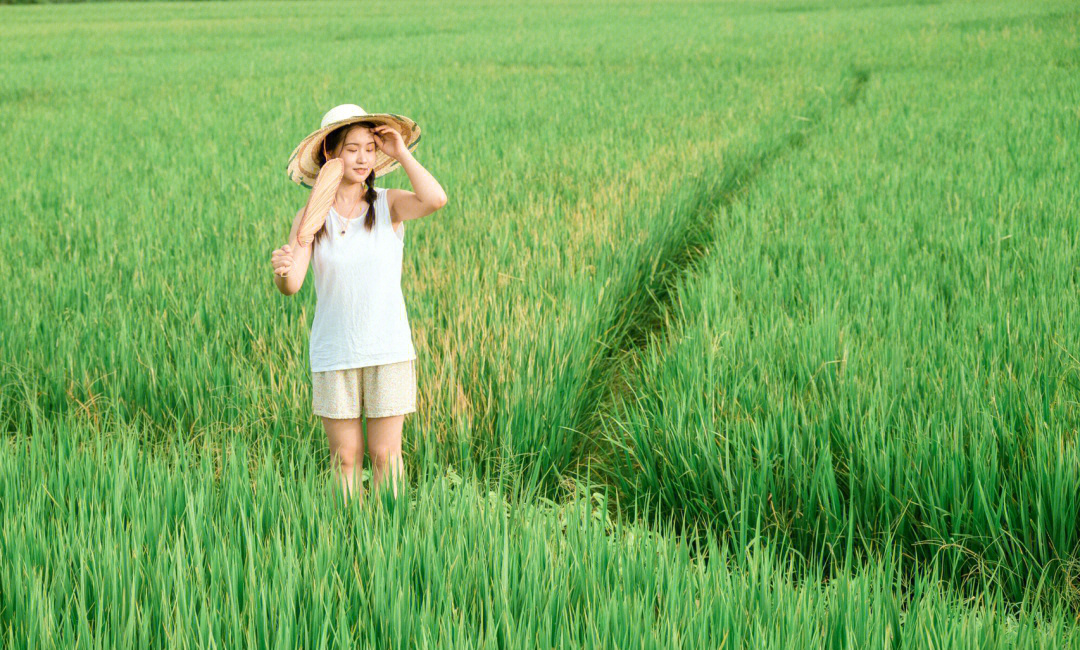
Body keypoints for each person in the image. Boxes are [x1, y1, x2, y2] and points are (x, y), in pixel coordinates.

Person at [271, 104, 447, 503]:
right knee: (345, 458)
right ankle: (348, 537)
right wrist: (282, 270)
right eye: (353, 148)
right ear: (331, 155)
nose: (364, 157)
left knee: (386, 455)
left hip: (387, 348)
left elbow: (436, 199)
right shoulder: (311, 216)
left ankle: (393, 537)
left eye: (370, 148)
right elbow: (293, 284)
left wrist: (401, 152)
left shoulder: (388, 204)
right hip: (335, 351)